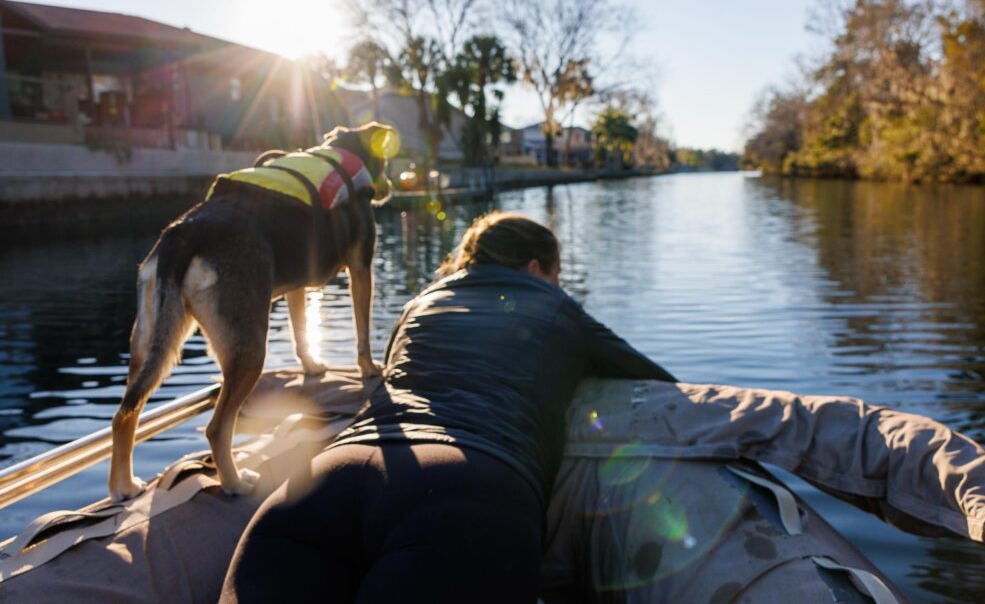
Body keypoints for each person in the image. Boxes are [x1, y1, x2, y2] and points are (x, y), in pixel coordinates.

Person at [220, 211, 677, 603]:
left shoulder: (421, 303)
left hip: (322, 483)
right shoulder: (556, 306)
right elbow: (655, 379)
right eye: (556, 275)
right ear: (538, 268)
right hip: (468, 494)